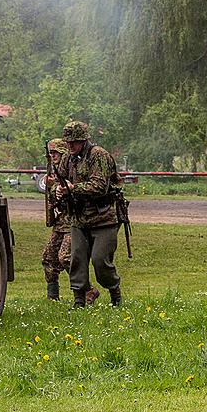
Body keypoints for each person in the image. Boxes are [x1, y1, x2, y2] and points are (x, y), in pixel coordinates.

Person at [56, 120, 123, 307]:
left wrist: (72, 188)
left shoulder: (98, 155)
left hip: (103, 218)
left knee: (101, 260)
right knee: (77, 259)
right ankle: (79, 299)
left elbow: (99, 186)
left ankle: (114, 292)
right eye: (67, 142)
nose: (70, 146)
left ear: (84, 141)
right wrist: (59, 190)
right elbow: (60, 180)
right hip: (78, 218)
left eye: (74, 142)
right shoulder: (67, 158)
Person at [43, 138, 99, 304]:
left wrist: (58, 187)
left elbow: (79, 189)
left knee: (66, 257)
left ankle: (87, 290)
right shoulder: (54, 170)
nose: (52, 156)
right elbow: (54, 197)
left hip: (73, 222)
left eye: (55, 152)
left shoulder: (73, 167)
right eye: (50, 153)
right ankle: (52, 297)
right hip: (60, 223)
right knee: (48, 258)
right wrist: (52, 187)